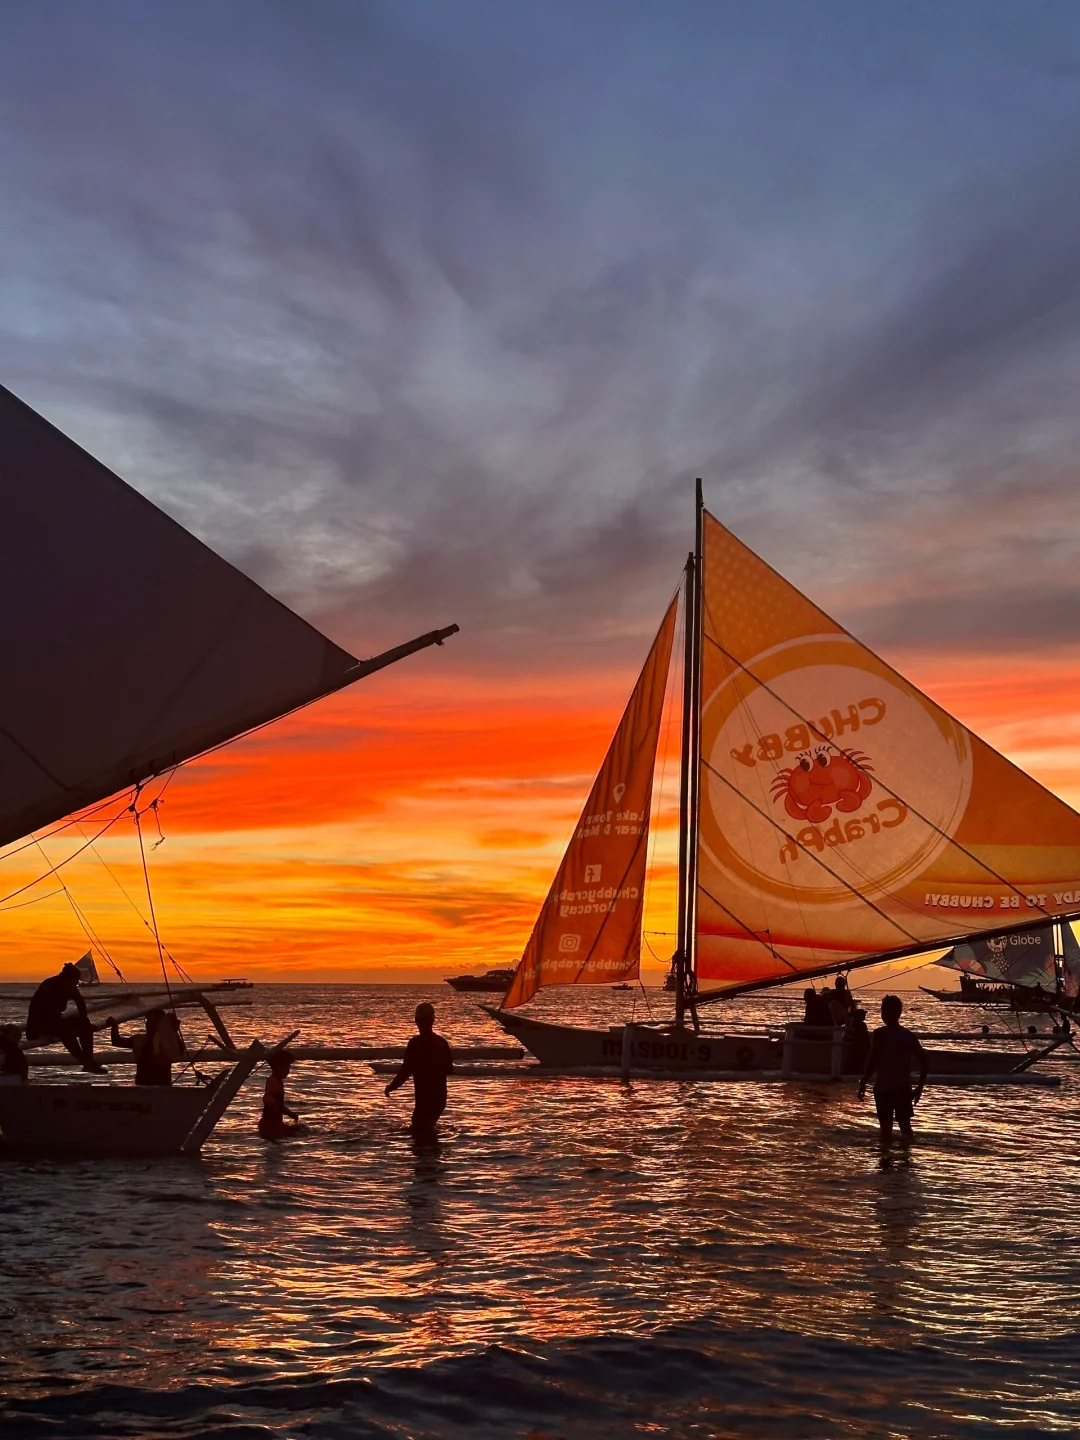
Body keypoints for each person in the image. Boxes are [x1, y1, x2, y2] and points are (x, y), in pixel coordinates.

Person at [858, 994, 928, 1143]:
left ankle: (887, 1161)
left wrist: (863, 1081)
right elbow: (925, 1060)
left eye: (883, 1010)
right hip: (902, 1089)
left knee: (886, 1132)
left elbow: (873, 1061)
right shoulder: (908, 1035)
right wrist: (919, 1088)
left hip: (884, 1089)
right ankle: (905, 1162)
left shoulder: (879, 1034)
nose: (882, 1014)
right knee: (906, 1129)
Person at [384, 1002, 454, 1135]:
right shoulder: (442, 1042)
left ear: (416, 1021)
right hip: (439, 1099)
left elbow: (406, 1071)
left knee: (419, 1132)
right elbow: (449, 1069)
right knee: (428, 1132)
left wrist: (392, 1086)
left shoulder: (415, 1044)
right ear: (433, 1020)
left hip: (424, 1098)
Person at [25, 962, 103, 1072]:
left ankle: (89, 1060)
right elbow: (44, 1013)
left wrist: (84, 1020)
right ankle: (84, 1061)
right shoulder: (49, 986)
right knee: (65, 1030)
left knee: (84, 1023)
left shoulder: (70, 987)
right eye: (75, 981)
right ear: (67, 979)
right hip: (37, 1026)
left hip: (55, 1022)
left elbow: (80, 1003)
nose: (77, 983)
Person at [109, 1009, 183, 1085]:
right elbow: (117, 1041)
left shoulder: (168, 1041)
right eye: (148, 1021)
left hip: (160, 1086)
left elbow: (180, 1051)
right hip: (144, 1086)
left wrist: (174, 1031)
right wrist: (114, 1026)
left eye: (153, 1022)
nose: (149, 1024)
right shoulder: (139, 1040)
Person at [258, 1053, 301, 1141]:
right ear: (277, 1067)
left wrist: (290, 1114)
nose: (288, 1071)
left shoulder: (276, 1081)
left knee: (297, 1130)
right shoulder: (274, 1082)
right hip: (270, 1125)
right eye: (286, 1068)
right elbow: (266, 1097)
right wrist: (272, 1103)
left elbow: (279, 1105)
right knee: (300, 1133)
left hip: (272, 1124)